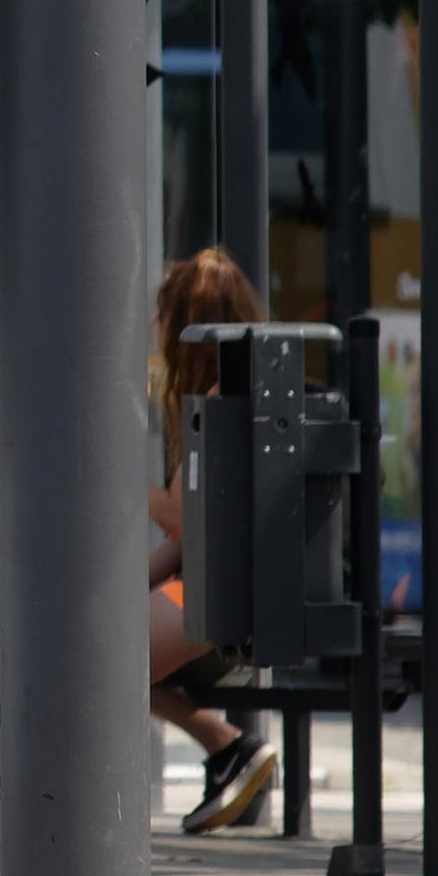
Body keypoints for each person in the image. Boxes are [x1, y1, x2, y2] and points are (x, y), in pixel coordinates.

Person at [147, 248, 279, 834]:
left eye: (162, 315)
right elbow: (190, 533)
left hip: (220, 595)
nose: (154, 330)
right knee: (91, 642)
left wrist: (106, 485)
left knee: (91, 656)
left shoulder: (226, 399)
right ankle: (229, 748)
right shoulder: (252, 387)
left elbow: (180, 518)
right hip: (229, 582)